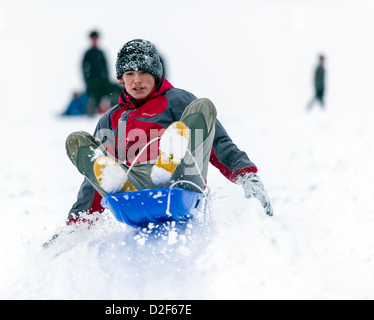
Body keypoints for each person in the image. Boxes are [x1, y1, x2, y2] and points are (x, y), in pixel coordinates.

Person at [65, 39, 272, 227]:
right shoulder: (110, 119)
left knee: (203, 106)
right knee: (77, 141)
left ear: (156, 74)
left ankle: (169, 158)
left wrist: (246, 174)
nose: (137, 80)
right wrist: (76, 222)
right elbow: (96, 177)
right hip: (133, 188)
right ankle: (123, 185)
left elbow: (217, 142)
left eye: (144, 73)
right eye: (130, 74)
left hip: (182, 179)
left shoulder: (176, 100)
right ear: (121, 78)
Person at [82, 30, 111, 117]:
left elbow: (106, 68)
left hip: (102, 80)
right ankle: (90, 114)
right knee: (92, 99)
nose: (95, 40)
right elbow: (84, 68)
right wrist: (87, 80)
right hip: (92, 81)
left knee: (111, 94)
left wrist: (106, 80)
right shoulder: (88, 53)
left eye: (96, 38)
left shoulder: (100, 53)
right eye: (93, 38)